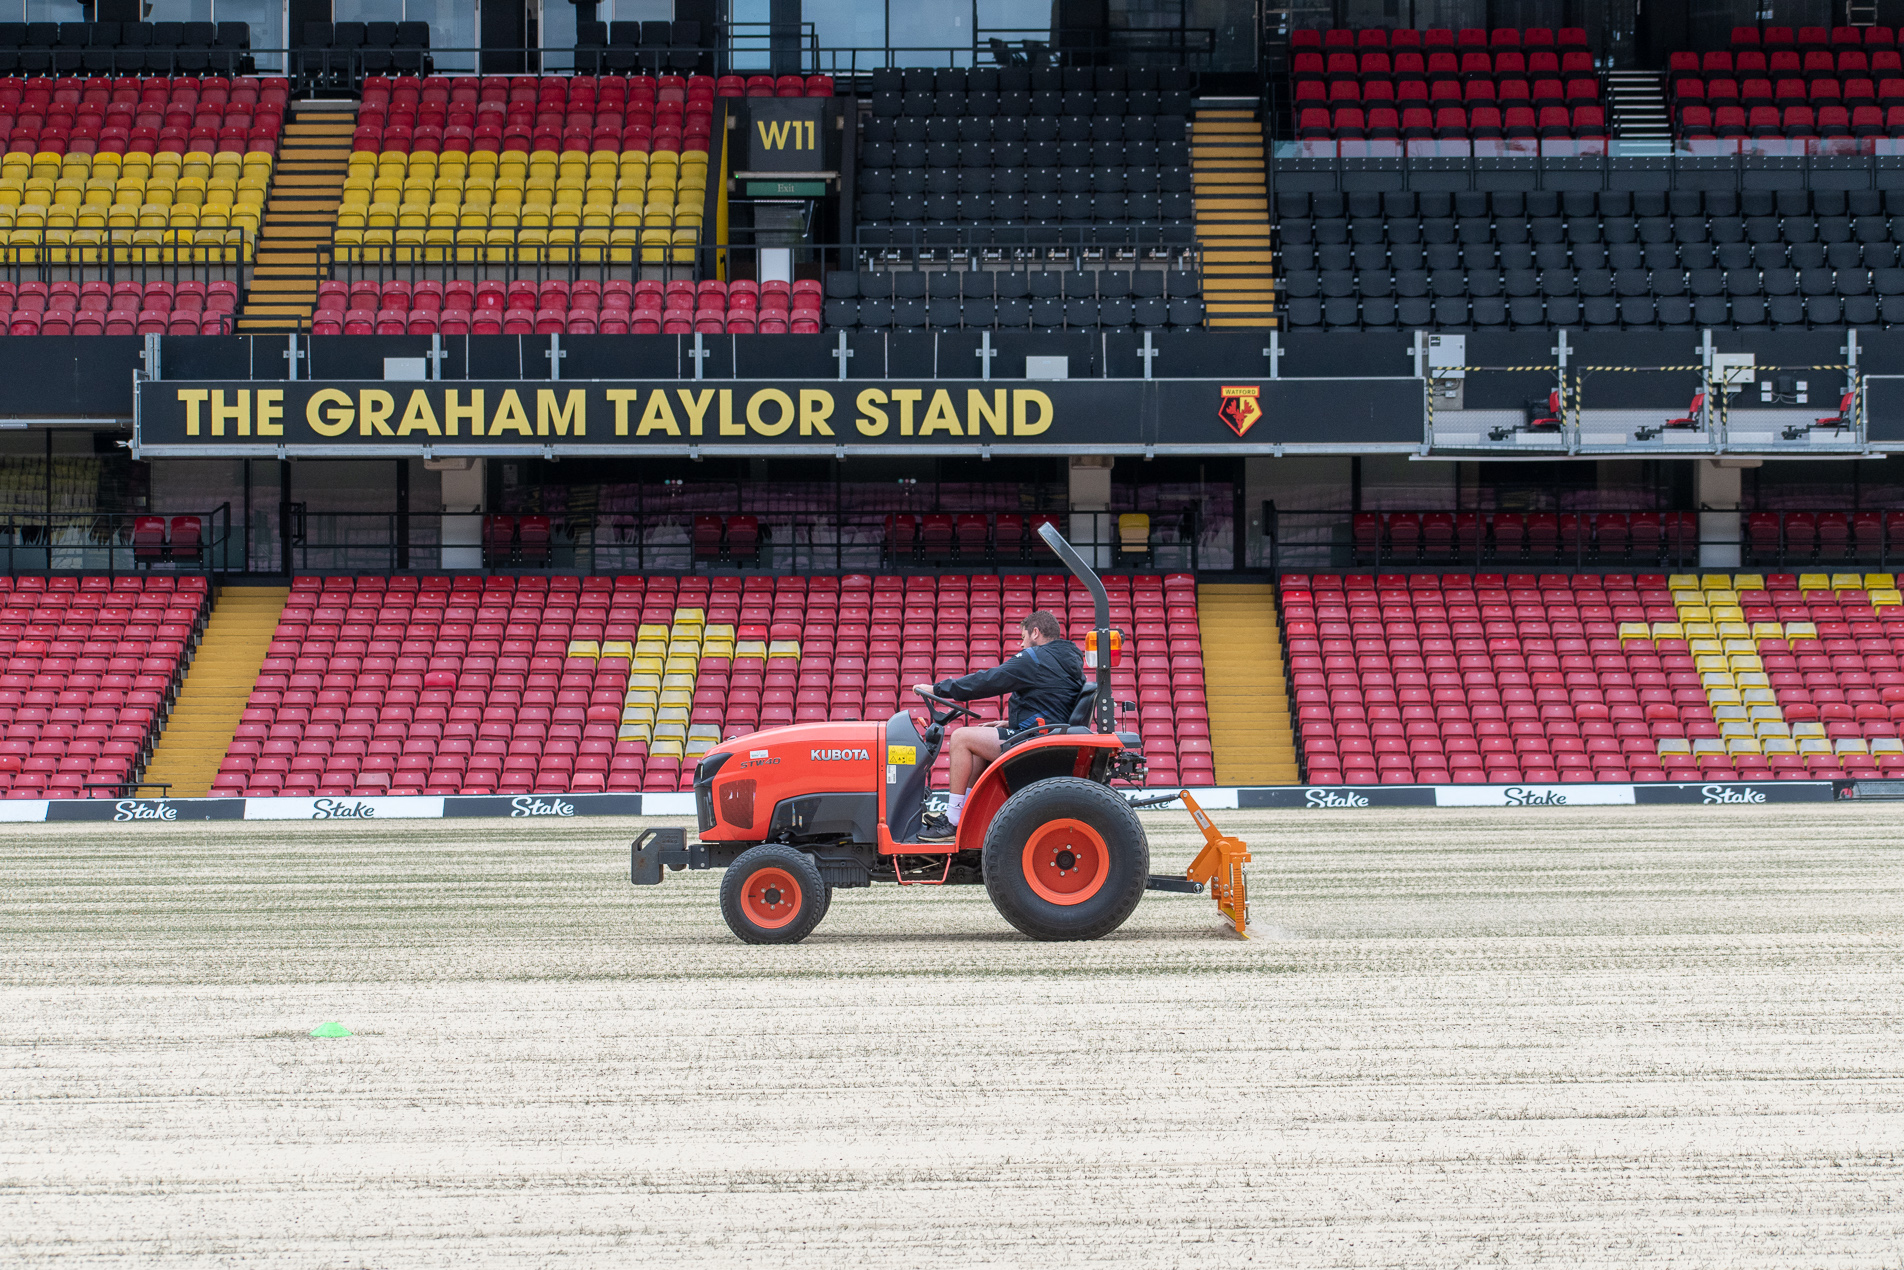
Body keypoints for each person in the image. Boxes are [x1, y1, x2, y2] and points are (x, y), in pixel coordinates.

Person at [915, 610, 1084, 841]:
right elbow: (1053, 701)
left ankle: (953, 822)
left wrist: (937, 689)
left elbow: (988, 680)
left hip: (1035, 740)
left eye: (1023, 637)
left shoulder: (1035, 658)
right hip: (1045, 733)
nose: (1021, 643)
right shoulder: (1067, 660)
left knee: (962, 738)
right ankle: (963, 814)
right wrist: (1008, 722)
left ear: (1036, 632)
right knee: (977, 741)